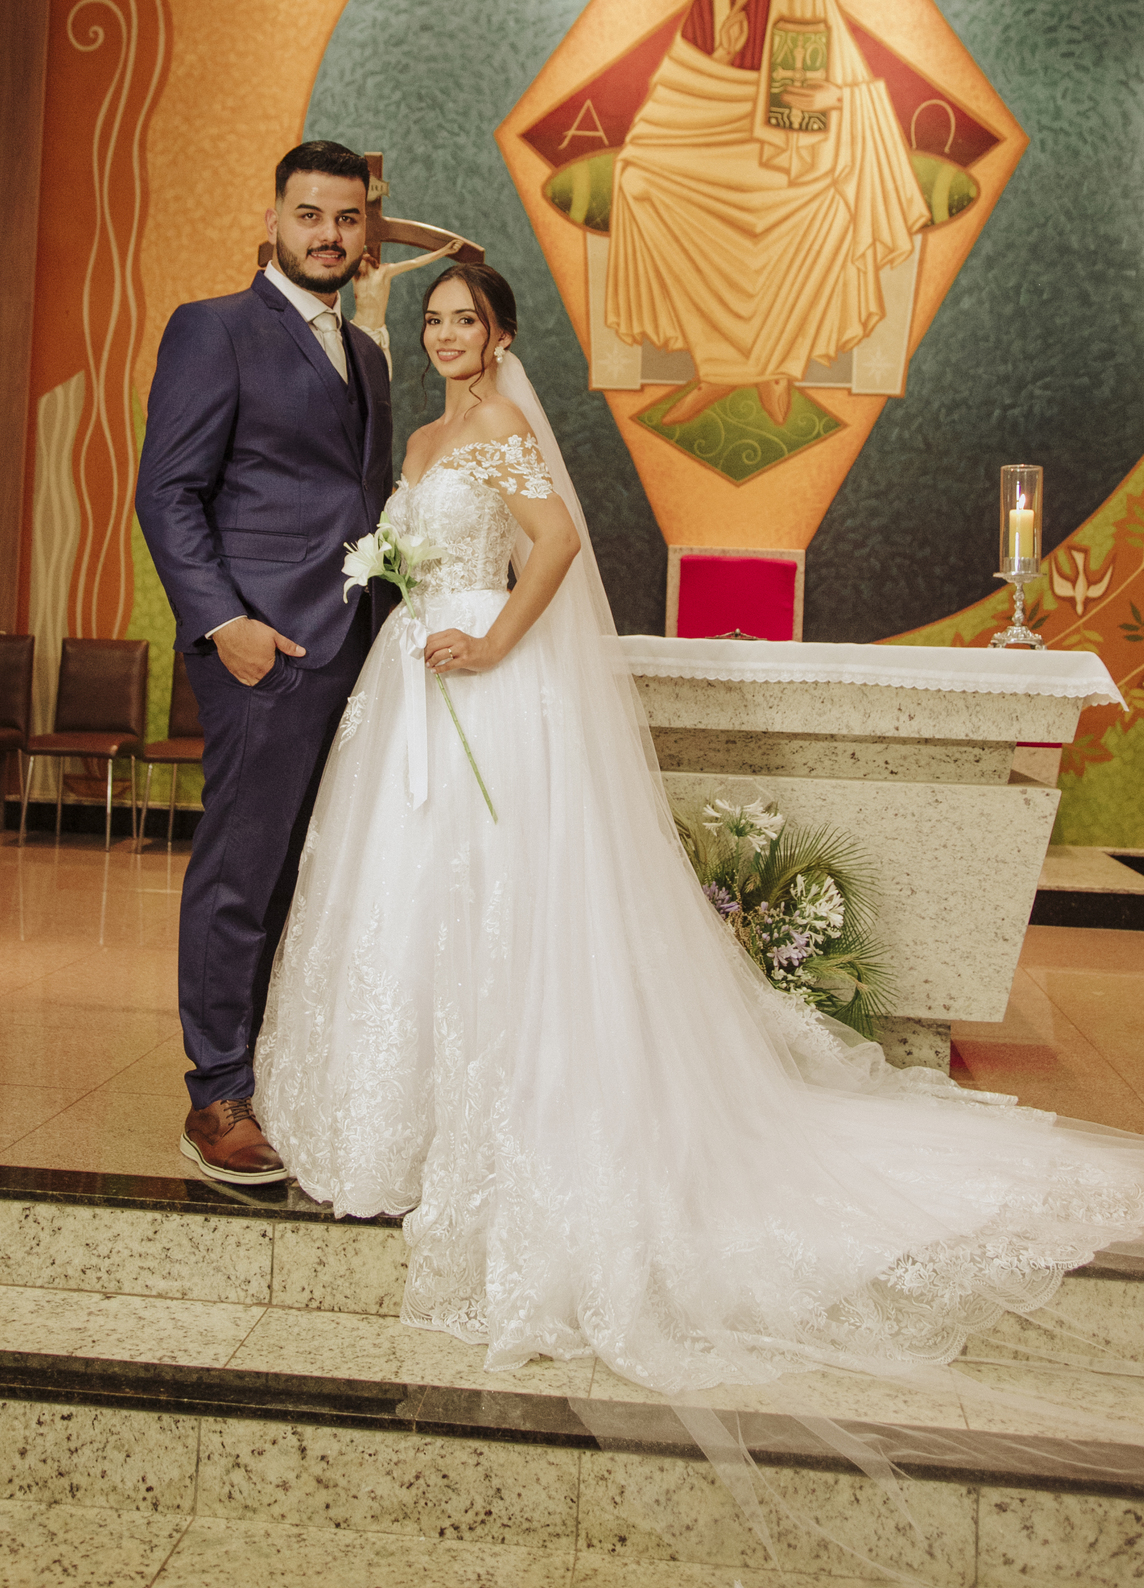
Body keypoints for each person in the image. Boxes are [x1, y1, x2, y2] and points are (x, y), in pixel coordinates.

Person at [254, 260, 1144, 1397]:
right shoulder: (427, 437)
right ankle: (407, 1119)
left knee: (496, 893)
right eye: (434, 321)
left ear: (501, 335)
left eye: (465, 321)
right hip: (412, 682)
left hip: (483, 678)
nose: (446, 336)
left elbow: (556, 544)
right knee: (406, 891)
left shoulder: (502, 429)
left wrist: (492, 640)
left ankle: (509, 1123)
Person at [136, 140, 400, 1184]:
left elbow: (359, 500)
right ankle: (216, 1096)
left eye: (346, 218)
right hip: (264, 650)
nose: (328, 235)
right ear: (275, 219)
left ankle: (276, 1069)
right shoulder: (214, 328)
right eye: (309, 215)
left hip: (358, 651)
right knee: (241, 873)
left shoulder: (367, 353)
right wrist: (224, 624)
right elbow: (169, 491)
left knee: (311, 872)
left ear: (365, 229)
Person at [606, 0, 927, 429]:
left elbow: (844, 79)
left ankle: (777, 366)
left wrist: (832, 98)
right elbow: (684, 81)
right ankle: (717, 367)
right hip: (713, 134)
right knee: (637, 180)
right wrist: (725, 53)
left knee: (833, 209)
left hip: (787, 151)